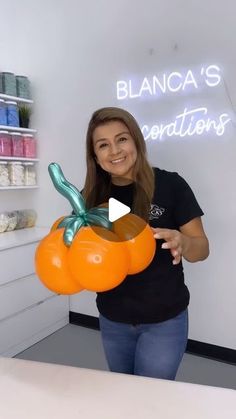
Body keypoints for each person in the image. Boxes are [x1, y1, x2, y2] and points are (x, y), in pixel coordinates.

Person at [82, 106, 209, 380]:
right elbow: (84, 254)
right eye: (103, 145)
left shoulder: (171, 185)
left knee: (152, 402)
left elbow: (202, 248)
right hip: (112, 317)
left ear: (136, 140)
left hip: (164, 320)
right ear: (95, 155)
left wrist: (184, 242)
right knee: (126, 394)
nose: (114, 150)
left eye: (122, 139)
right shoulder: (90, 197)